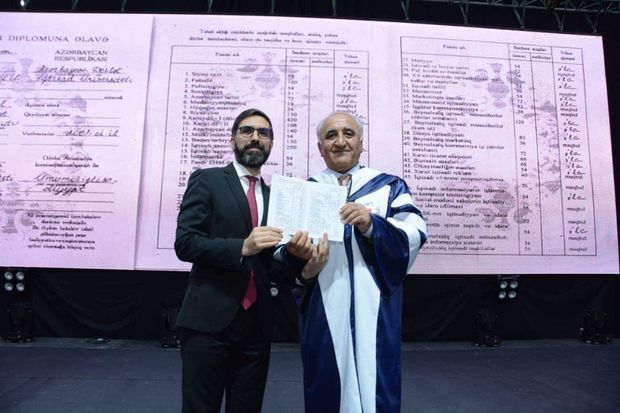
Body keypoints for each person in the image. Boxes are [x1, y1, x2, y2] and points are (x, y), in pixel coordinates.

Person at [174, 108, 313, 413]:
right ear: (233, 139)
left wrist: (302, 269)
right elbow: (185, 243)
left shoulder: (277, 197)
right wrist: (242, 246)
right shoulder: (207, 180)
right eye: (247, 130)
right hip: (207, 323)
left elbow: (269, 265)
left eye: (263, 133)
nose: (255, 138)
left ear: (271, 143)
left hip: (256, 328)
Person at [297, 112, 428, 413]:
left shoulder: (389, 187)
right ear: (320, 148)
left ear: (361, 143)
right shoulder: (305, 192)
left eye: (348, 134)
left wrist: (372, 225)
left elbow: (415, 232)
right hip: (323, 305)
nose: (340, 141)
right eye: (331, 135)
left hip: (375, 308)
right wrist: (300, 259)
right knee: (326, 381)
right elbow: (283, 255)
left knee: (376, 382)